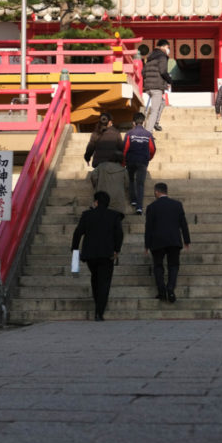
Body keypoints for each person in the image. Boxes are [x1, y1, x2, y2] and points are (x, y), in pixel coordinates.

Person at [71, 190, 123, 321]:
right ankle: (99, 312)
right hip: (107, 254)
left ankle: (97, 303)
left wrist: (75, 249)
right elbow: (119, 234)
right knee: (104, 282)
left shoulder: (87, 215)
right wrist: (117, 249)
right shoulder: (114, 215)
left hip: (90, 255)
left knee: (95, 278)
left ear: (96, 202)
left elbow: (78, 233)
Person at [144, 182, 190, 304]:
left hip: (157, 241)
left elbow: (148, 228)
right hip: (174, 240)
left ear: (156, 192)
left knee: (158, 266)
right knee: (173, 265)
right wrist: (186, 240)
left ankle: (162, 291)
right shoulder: (177, 205)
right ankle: (170, 288)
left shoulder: (151, 207)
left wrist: (147, 245)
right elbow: (183, 224)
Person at [123, 112, 156, 214]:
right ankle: (139, 207)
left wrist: (124, 161)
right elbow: (153, 149)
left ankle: (133, 200)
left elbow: (124, 149)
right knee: (140, 184)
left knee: (132, 180)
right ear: (144, 122)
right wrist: (148, 158)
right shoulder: (148, 134)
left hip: (131, 161)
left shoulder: (129, 134)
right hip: (142, 161)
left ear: (133, 123)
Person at [142, 40, 172, 133]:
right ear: (163, 47)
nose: (168, 50)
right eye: (168, 47)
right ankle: (148, 132)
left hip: (148, 87)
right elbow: (163, 71)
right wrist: (170, 80)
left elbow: (143, 72)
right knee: (154, 111)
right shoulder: (162, 56)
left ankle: (155, 123)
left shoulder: (150, 57)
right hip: (156, 87)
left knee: (162, 103)